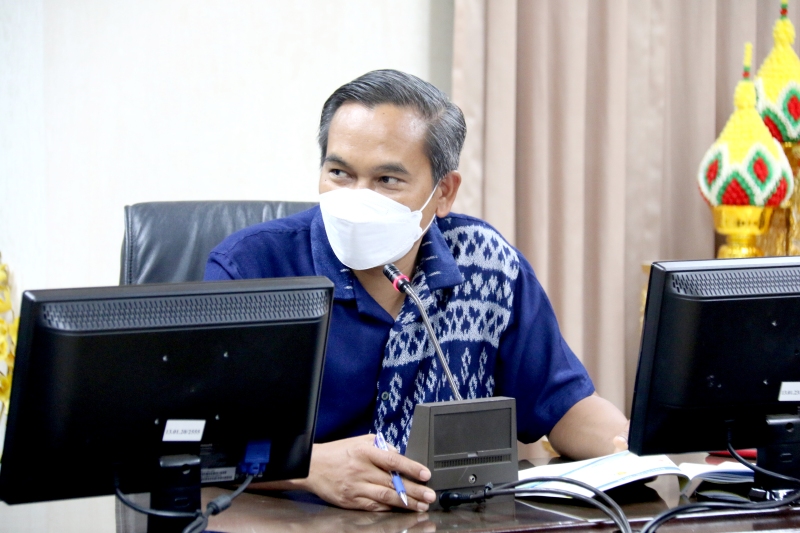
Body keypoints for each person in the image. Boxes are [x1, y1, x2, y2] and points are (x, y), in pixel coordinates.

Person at [204, 69, 629, 512]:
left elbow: (566, 406)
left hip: (447, 520)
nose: (357, 198)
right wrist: (309, 467)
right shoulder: (252, 270)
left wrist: (629, 448)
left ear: (443, 192)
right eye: (339, 173)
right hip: (296, 520)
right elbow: (192, 446)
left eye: (387, 181)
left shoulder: (486, 264)